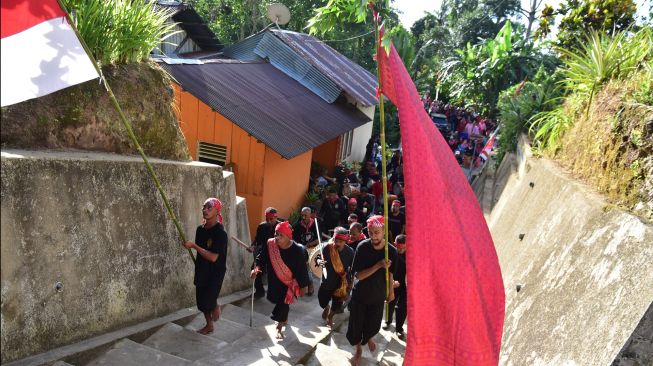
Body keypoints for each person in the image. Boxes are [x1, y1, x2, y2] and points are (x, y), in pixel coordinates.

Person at [346, 215, 397, 366]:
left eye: (377, 232)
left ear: (384, 232)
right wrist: (378, 265)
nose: (373, 236)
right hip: (360, 295)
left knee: (374, 325)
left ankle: (369, 337)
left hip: (377, 295)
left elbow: (391, 274)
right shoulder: (362, 247)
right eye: (370, 232)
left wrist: (391, 291)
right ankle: (358, 350)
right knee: (356, 327)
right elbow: (358, 276)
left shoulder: (391, 251)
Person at [251, 221, 311, 339]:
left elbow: (302, 271)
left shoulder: (298, 251)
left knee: (283, 304)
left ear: (289, 237)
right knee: (278, 300)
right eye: (276, 234)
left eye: (281, 235)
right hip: (274, 280)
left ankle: (279, 327)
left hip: (289, 282)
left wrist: (304, 286)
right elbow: (261, 258)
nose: (277, 238)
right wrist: (257, 268)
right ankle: (283, 319)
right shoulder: (270, 244)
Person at [183, 198, 228, 335]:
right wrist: (189, 246)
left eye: (209, 208)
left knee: (208, 300)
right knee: (201, 303)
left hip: (215, 272)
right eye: (204, 207)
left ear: (217, 211)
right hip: (202, 269)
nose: (205, 210)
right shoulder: (200, 230)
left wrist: (194, 246)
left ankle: (214, 304)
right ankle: (209, 325)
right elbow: (202, 253)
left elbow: (213, 257)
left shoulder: (220, 233)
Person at [317, 227, 355, 328]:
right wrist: (319, 262)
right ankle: (326, 307)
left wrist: (350, 284)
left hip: (341, 283)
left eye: (340, 241)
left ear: (345, 241)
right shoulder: (327, 248)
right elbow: (318, 258)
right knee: (322, 300)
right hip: (327, 280)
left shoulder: (350, 252)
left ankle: (330, 317)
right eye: (335, 240)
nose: (337, 243)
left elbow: (352, 269)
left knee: (337, 304)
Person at [250, 207, 279, 298]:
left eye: (271, 219)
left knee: (276, 274)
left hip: (278, 253)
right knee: (255, 268)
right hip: (265, 252)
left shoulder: (281, 227)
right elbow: (257, 240)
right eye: (267, 219)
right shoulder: (262, 226)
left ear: (276, 217)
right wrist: (253, 245)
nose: (269, 222)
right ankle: (259, 291)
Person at [293, 207, 321, 295]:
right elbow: (294, 240)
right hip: (301, 249)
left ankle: (310, 283)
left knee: (306, 264)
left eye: (306, 215)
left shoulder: (315, 224)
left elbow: (318, 239)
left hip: (313, 248)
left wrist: (307, 245)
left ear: (310, 215)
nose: (303, 217)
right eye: (302, 215)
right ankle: (304, 283)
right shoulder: (297, 226)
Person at [385, 234, 407, 339]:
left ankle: (399, 329)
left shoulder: (412, 255)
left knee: (402, 307)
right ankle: (388, 321)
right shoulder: (390, 252)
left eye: (403, 248)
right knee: (390, 302)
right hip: (392, 282)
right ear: (395, 244)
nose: (400, 250)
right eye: (398, 247)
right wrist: (391, 282)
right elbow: (386, 270)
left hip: (406, 284)